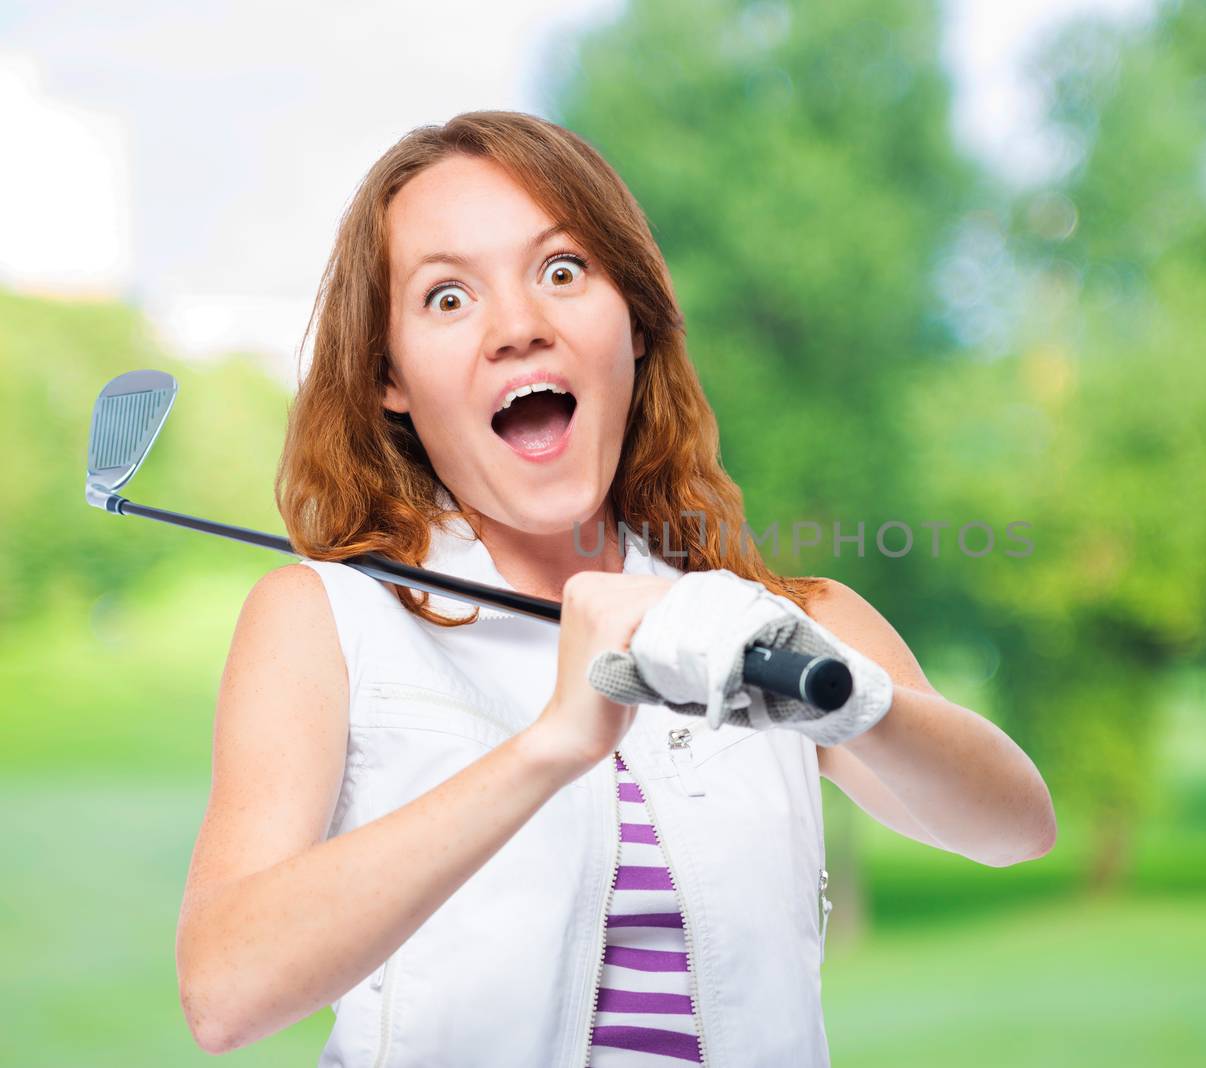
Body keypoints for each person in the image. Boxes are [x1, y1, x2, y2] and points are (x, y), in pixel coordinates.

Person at [173, 110, 1056, 1067]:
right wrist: (551, 744)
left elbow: (1016, 826)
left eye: (562, 271)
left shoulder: (783, 623)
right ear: (389, 375)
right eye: (447, 298)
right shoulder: (325, 620)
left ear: (633, 323)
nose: (518, 328)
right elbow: (224, 994)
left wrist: (836, 690)